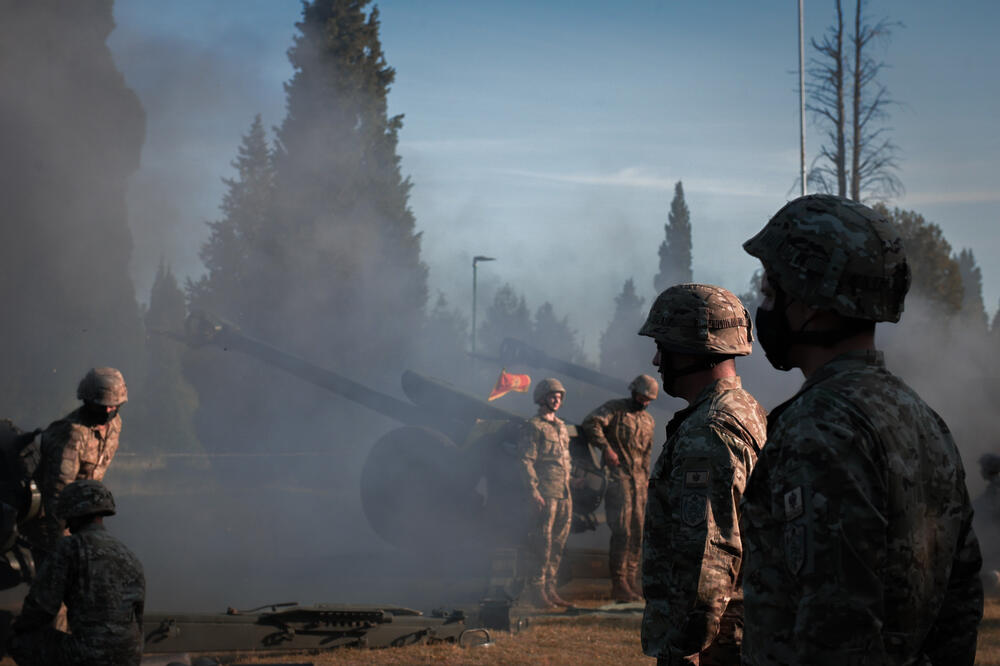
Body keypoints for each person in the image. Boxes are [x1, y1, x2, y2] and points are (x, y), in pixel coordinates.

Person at [740, 193, 983, 664]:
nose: (762, 308)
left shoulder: (820, 427)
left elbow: (835, 628)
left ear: (809, 302)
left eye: (771, 293)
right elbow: (961, 599)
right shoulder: (919, 416)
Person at [638, 283, 767, 665]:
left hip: (716, 641)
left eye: (664, 347)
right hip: (741, 625)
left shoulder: (708, 430)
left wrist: (685, 647)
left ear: (693, 349)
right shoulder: (746, 409)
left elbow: (708, 553)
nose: (657, 361)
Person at [9, 479, 145, 666]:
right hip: (130, 656)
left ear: (74, 511)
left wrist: (17, 626)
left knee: (18, 640)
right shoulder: (129, 556)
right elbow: (138, 618)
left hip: (89, 656)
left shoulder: (71, 547)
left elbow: (42, 607)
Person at [24, 367, 127, 567]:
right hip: (52, 521)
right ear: (88, 401)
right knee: (58, 581)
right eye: (101, 405)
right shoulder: (72, 434)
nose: (108, 410)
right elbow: (57, 494)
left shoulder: (115, 425)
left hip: (83, 518)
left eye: (113, 406)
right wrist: (63, 545)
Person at [581, 374, 657, 602]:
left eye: (648, 399)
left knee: (637, 533)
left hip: (639, 482)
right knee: (622, 531)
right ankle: (619, 582)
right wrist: (605, 448)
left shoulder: (648, 421)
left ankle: (631, 583)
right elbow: (591, 422)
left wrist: (645, 477)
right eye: (641, 396)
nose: (644, 402)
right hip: (618, 478)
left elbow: (647, 453)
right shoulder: (614, 409)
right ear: (633, 392)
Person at [517, 377, 572, 609]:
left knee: (558, 544)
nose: (557, 400)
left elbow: (564, 459)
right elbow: (526, 461)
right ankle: (536, 591)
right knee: (542, 543)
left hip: (564, 493)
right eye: (552, 396)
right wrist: (533, 491)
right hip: (545, 493)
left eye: (559, 396)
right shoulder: (534, 426)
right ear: (541, 398)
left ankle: (550, 588)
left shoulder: (560, 426)